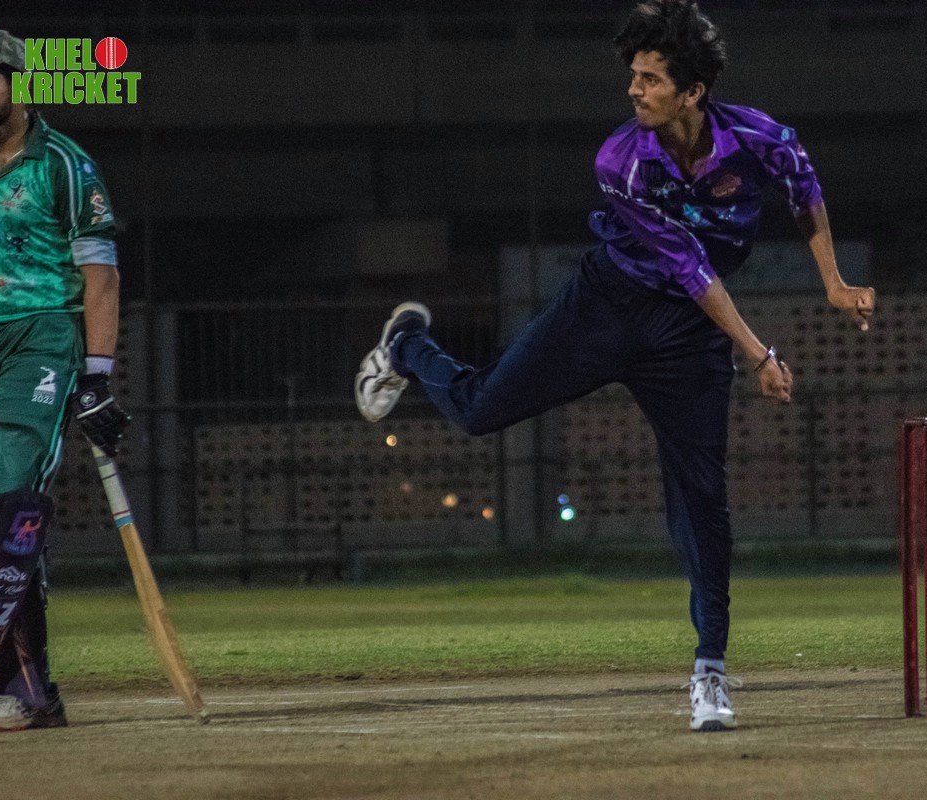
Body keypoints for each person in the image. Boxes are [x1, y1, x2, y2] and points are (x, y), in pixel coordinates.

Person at [355, 0, 874, 732]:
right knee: (478, 411)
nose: (634, 89)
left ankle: (710, 670)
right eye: (632, 75)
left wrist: (834, 282)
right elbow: (690, 268)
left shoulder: (760, 137)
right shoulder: (619, 161)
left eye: (650, 78)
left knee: (702, 499)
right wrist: (759, 353)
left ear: (692, 91)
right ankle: (408, 343)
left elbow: (805, 193)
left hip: (688, 337)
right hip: (608, 307)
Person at [0, 29, 129, 732]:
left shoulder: (65, 165)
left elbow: (101, 278)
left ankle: (29, 691)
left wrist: (96, 376)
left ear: (18, 84)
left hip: (39, 340)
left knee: (5, 506)